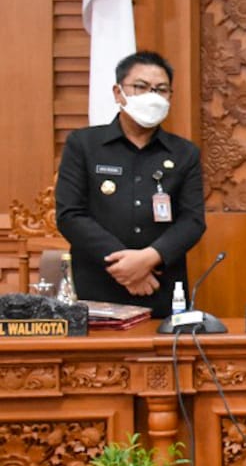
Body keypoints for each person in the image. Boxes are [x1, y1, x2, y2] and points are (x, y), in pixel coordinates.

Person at [55, 51, 206, 317]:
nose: (151, 96)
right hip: (97, 286)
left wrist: (148, 259)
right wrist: (125, 265)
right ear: (118, 92)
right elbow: (70, 215)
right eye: (140, 87)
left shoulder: (184, 153)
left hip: (161, 287)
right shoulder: (83, 145)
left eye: (161, 89)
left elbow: (192, 221)